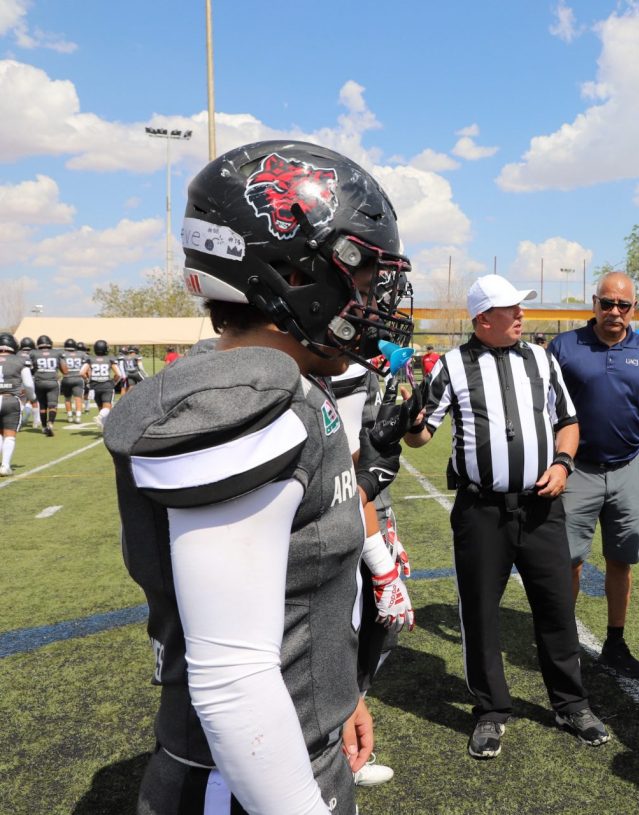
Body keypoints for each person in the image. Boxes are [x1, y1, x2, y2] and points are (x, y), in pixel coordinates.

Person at [103, 140, 417, 813]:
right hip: (240, 782)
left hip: (295, 744)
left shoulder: (295, 384)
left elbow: (296, 596)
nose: (374, 303)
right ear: (294, 275)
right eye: (362, 280)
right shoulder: (248, 404)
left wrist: (337, 696)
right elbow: (233, 677)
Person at [406, 273, 609, 760]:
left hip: (542, 506)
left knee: (556, 607)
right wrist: (409, 420)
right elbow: (421, 436)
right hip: (482, 511)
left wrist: (563, 464)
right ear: (483, 319)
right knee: (480, 612)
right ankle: (491, 710)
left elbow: (568, 422)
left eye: (520, 307)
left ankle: (571, 704)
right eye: (510, 309)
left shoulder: (541, 358)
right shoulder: (452, 365)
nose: (521, 315)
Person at [549, 272, 639, 679]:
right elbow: (542, 407)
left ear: (634, 308)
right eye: (607, 303)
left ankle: (615, 642)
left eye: (623, 305)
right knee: (569, 561)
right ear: (595, 303)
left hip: (627, 469)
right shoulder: (564, 347)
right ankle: (562, 642)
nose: (615, 312)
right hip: (576, 470)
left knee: (621, 559)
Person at [0, 332, 35, 475]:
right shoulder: (20, 360)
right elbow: (28, 384)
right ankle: (5, 466)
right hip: (11, 399)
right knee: (9, 434)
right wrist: (32, 397)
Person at [81, 341, 120, 430]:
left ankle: (105, 428)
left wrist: (88, 382)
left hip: (94, 386)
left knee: (101, 408)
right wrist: (114, 383)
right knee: (107, 408)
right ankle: (100, 417)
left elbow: (82, 372)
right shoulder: (110, 359)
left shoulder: (90, 359)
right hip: (106, 385)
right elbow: (119, 374)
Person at [30, 334, 62, 436]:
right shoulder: (56, 353)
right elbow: (65, 370)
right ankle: (50, 423)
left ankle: (44, 427)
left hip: (39, 382)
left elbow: (29, 368)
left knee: (42, 406)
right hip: (52, 382)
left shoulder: (33, 353)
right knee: (52, 405)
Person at [59, 339, 87, 423]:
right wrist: (86, 377)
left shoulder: (62, 354)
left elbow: (61, 366)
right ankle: (78, 416)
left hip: (67, 378)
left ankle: (70, 416)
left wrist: (63, 373)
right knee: (78, 398)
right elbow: (86, 366)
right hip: (78, 378)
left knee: (67, 398)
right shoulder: (81, 354)